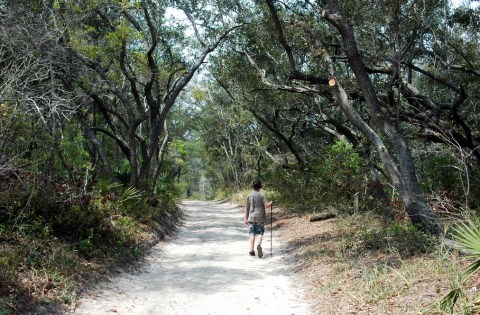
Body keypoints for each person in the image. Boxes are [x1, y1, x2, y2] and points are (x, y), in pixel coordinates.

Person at [244, 179, 273, 258]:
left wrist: (245, 218)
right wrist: (271, 202)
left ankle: (252, 250)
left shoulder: (249, 195)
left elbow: (247, 208)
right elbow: (266, 205)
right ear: (260, 186)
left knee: (252, 233)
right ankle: (259, 245)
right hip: (260, 217)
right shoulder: (261, 195)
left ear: (253, 186)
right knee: (259, 233)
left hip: (251, 217)